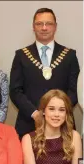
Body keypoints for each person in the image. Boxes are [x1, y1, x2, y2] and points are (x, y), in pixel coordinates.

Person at [10, 7, 80, 137]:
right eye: (39, 24)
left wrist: (58, 113)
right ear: (33, 26)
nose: (44, 28)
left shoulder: (69, 55)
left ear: (55, 27)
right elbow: (15, 91)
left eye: (48, 23)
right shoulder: (21, 55)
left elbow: (75, 90)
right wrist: (34, 113)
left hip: (62, 126)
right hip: (28, 124)